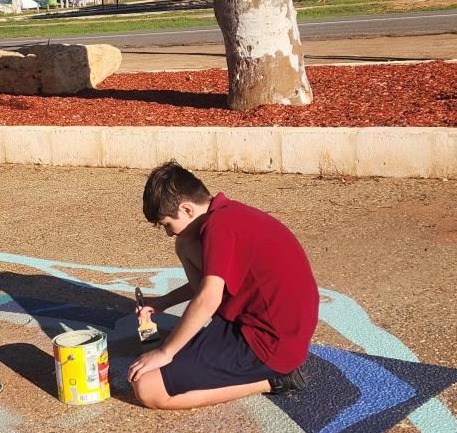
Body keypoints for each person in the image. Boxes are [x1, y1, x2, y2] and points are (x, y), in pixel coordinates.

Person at [127, 162, 318, 411]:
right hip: (271, 325)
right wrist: (163, 302)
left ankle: (275, 380)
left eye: (166, 224)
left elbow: (209, 297)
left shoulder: (220, 228)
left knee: (148, 387)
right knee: (184, 244)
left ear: (186, 209)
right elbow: (212, 281)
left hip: (270, 342)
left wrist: (166, 352)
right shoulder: (225, 214)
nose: (168, 234)